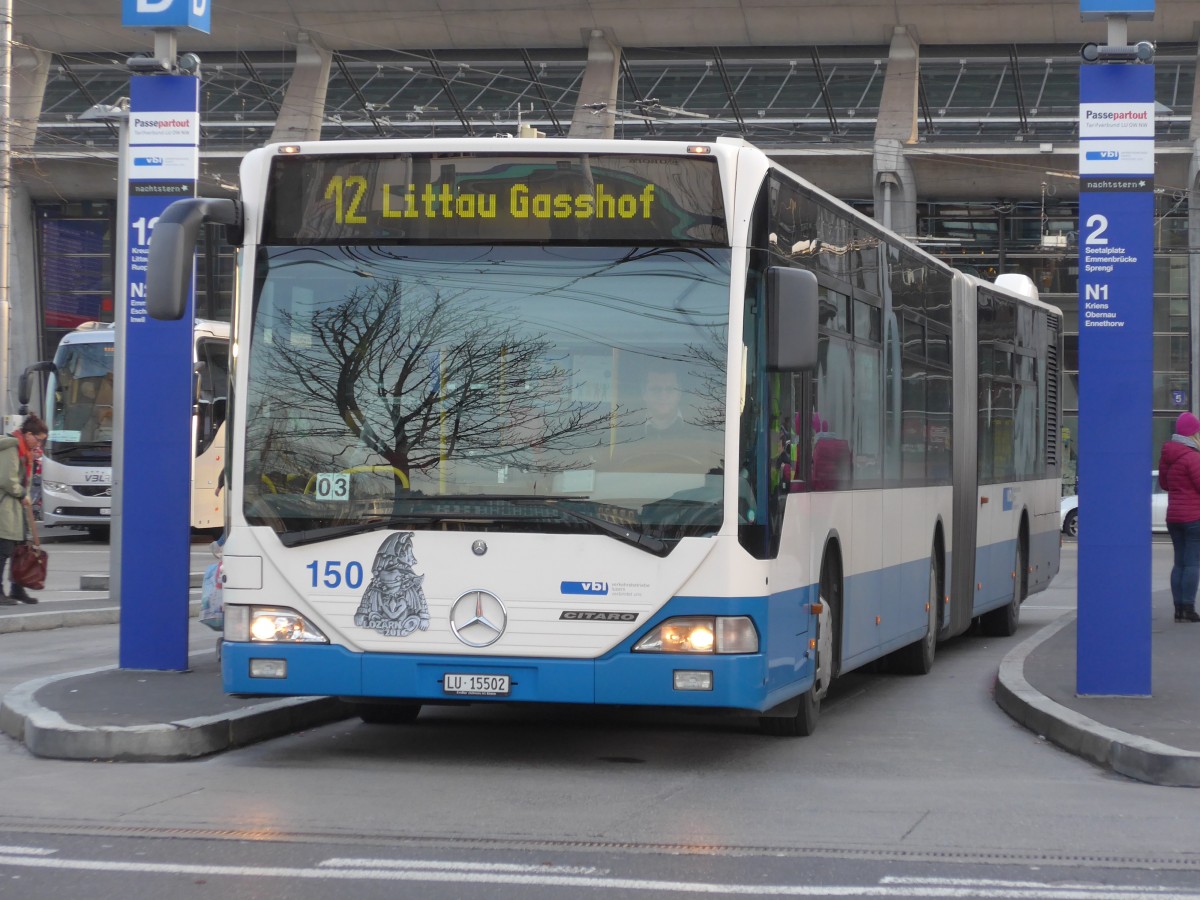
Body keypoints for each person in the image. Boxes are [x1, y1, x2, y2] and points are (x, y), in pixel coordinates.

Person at [0, 414, 49, 605]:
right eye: (37, 439)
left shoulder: (24, 451)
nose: (38, 445)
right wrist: (22, 493)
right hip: (6, 507)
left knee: (20, 549)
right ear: (28, 434)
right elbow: (6, 479)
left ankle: (17, 589)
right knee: (4, 550)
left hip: (17, 508)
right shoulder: (12, 448)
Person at [1159, 411, 1200, 623]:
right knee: (1192, 563)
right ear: (1193, 433)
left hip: (1174, 517)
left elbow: (1164, 484)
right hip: (1194, 517)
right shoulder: (1193, 457)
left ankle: (1177, 610)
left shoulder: (1168, 454)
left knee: (1179, 562)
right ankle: (1188, 608)